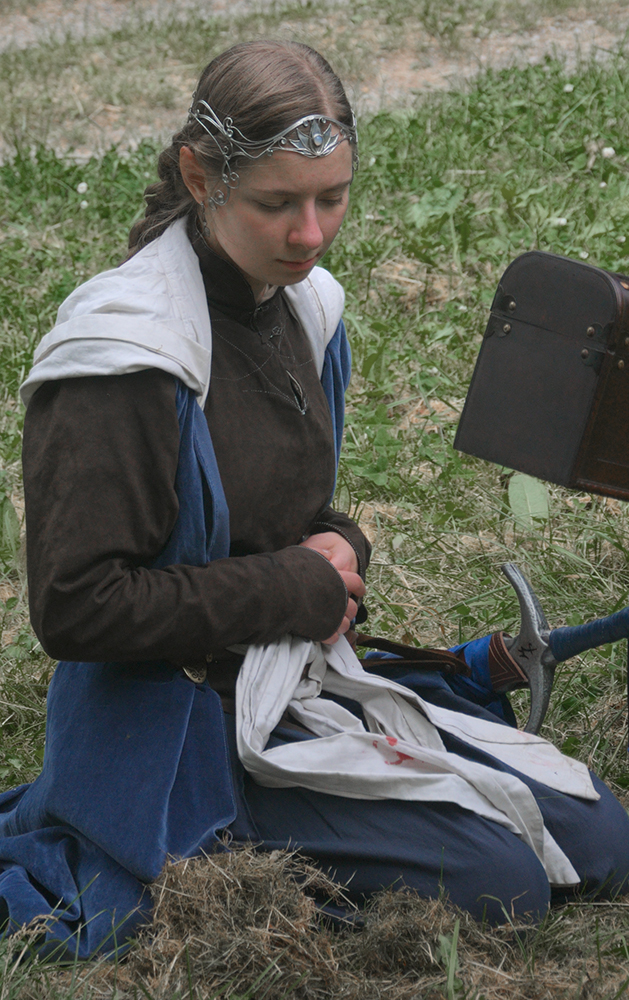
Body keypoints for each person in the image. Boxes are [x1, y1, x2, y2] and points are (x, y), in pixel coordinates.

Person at [0, 39, 628, 961]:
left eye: (331, 198)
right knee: (501, 885)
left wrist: (339, 544)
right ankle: (205, 858)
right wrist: (298, 586)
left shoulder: (304, 307)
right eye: (275, 204)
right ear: (200, 177)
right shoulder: (123, 361)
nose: (310, 234)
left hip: (294, 681)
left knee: (602, 841)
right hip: (172, 733)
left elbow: (283, 510)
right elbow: (76, 608)